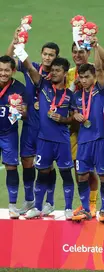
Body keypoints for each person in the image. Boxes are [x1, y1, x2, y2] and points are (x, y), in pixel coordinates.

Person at [6, 27, 59, 216]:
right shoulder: (33, 66)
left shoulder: (55, 76)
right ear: (41, 54)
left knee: (46, 165)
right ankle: (29, 200)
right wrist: (14, 41)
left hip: (47, 127)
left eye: (51, 55)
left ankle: (49, 202)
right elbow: (7, 62)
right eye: (45, 54)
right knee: (27, 161)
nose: (47, 57)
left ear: (55, 57)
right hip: (29, 125)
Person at [22, 57, 75, 220]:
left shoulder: (70, 95)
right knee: (42, 174)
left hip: (62, 141)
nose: (54, 73)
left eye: (58, 70)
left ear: (65, 73)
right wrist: (21, 50)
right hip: (44, 140)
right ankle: (38, 207)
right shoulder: (43, 86)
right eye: (52, 70)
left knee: (66, 173)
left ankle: (68, 208)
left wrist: (63, 119)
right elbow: (30, 69)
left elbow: (74, 118)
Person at [66, 39, 104, 218]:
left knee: (103, 175)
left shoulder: (100, 89)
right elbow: (74, 112)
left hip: (99, 139)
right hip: (83, 140)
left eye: (87, 77)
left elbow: (102, 66)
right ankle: (85, 208)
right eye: (81, 77)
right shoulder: (76, 95)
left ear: (93, 77)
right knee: (82, 175)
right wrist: (75, 115)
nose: (84, 80)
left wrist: (96, 46)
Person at [0, 55, 26, 219]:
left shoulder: (19, 88)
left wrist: (21, 112)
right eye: (0, 70)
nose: (3, 73)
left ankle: (12, 205)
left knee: (11, 167)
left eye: (6, 70)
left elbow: (24, 113)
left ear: (13, 71)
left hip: (8, 133)